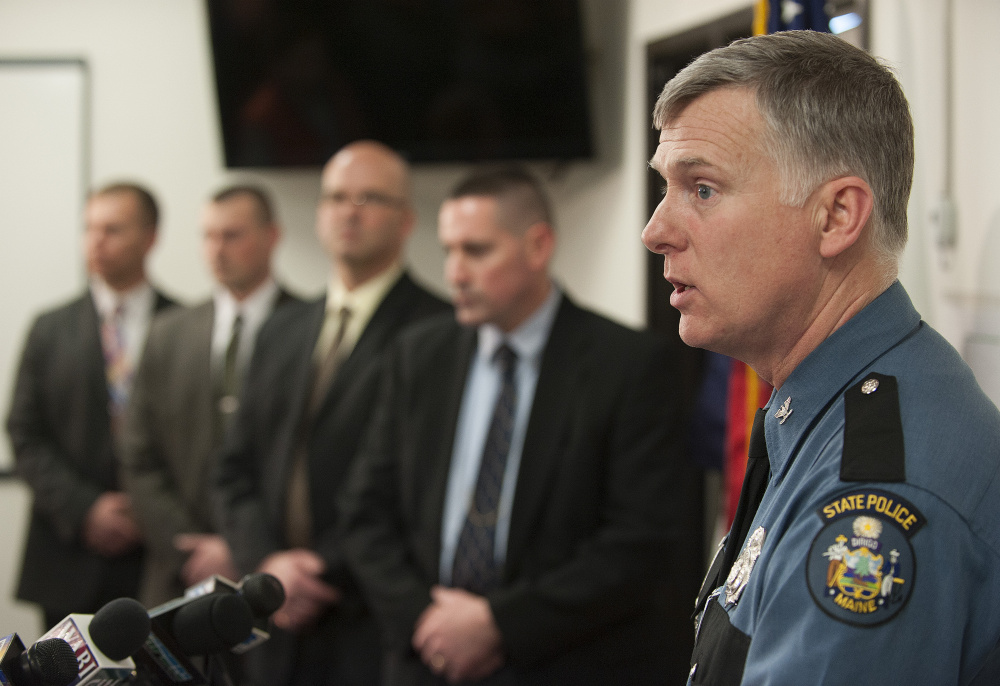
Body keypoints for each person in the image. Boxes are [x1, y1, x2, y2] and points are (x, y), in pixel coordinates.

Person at [642, 30, 1000, 685]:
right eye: (666, 187)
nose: (656, 230)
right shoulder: (822, 407)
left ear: (837, 216)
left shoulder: (877, 493)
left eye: (702, 189)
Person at [339, 167, 690, 686]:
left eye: (476, 251)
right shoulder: (418, 357)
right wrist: (427, 621)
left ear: (538, 246)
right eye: (448, 251)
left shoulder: (630, 365)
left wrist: (497, 626)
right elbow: (366, 514)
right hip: (426, 660)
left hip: (562, 663)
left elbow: (639, 542)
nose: (455, 273)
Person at [215, 140, 450, 686]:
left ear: (406, 219)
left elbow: (421, 486)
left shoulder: (438, 333)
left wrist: (316, 569)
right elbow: (233, 468)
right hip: (272, 615)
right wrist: (268, 563)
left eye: (369, 197)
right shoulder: (281, 326)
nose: (349, 211)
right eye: (337, 197)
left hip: (368, 620)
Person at [120, 185, 299, 607]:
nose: (217, 250)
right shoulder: (169, 333)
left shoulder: (308, 330)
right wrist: (189, 548)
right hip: (179, 573)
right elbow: (138, 456)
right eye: (208, 236)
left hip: (275, 578)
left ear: (272, 236)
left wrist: (244, 549)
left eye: (232, 235)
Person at [7, 182, 177, 629]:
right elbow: (25, 433)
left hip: (157, 558)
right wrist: (86, 508)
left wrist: (151, 510)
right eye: (90, 229)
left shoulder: (184, 326)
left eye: (113, 229)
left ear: (150, 237)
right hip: (67, 553)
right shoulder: (50, 328)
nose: (96, 242)